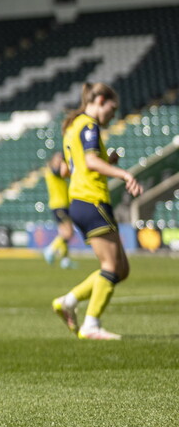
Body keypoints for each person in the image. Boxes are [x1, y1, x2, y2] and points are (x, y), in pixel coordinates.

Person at [52, 83, 143, 341]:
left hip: (81, 202)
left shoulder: (72, 127)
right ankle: (91, 325)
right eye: (112, 109)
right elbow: (90, 162)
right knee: (111, 266)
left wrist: (107, 161)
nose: (113, 115)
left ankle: (68, 301)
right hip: (91, 200)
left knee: (120, 269)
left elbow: (67, 170)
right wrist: (124, 173)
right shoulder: (89, 125)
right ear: (101, 99)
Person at [42, 152, 75, 269]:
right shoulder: (51, 170)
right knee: (69, 232)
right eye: (58, 159)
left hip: (63, 205)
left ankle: (65, 260)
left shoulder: (59, 172)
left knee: (63, 234)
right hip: (59, 205)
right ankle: (50, 249)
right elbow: (58, 171)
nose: (60, 161)